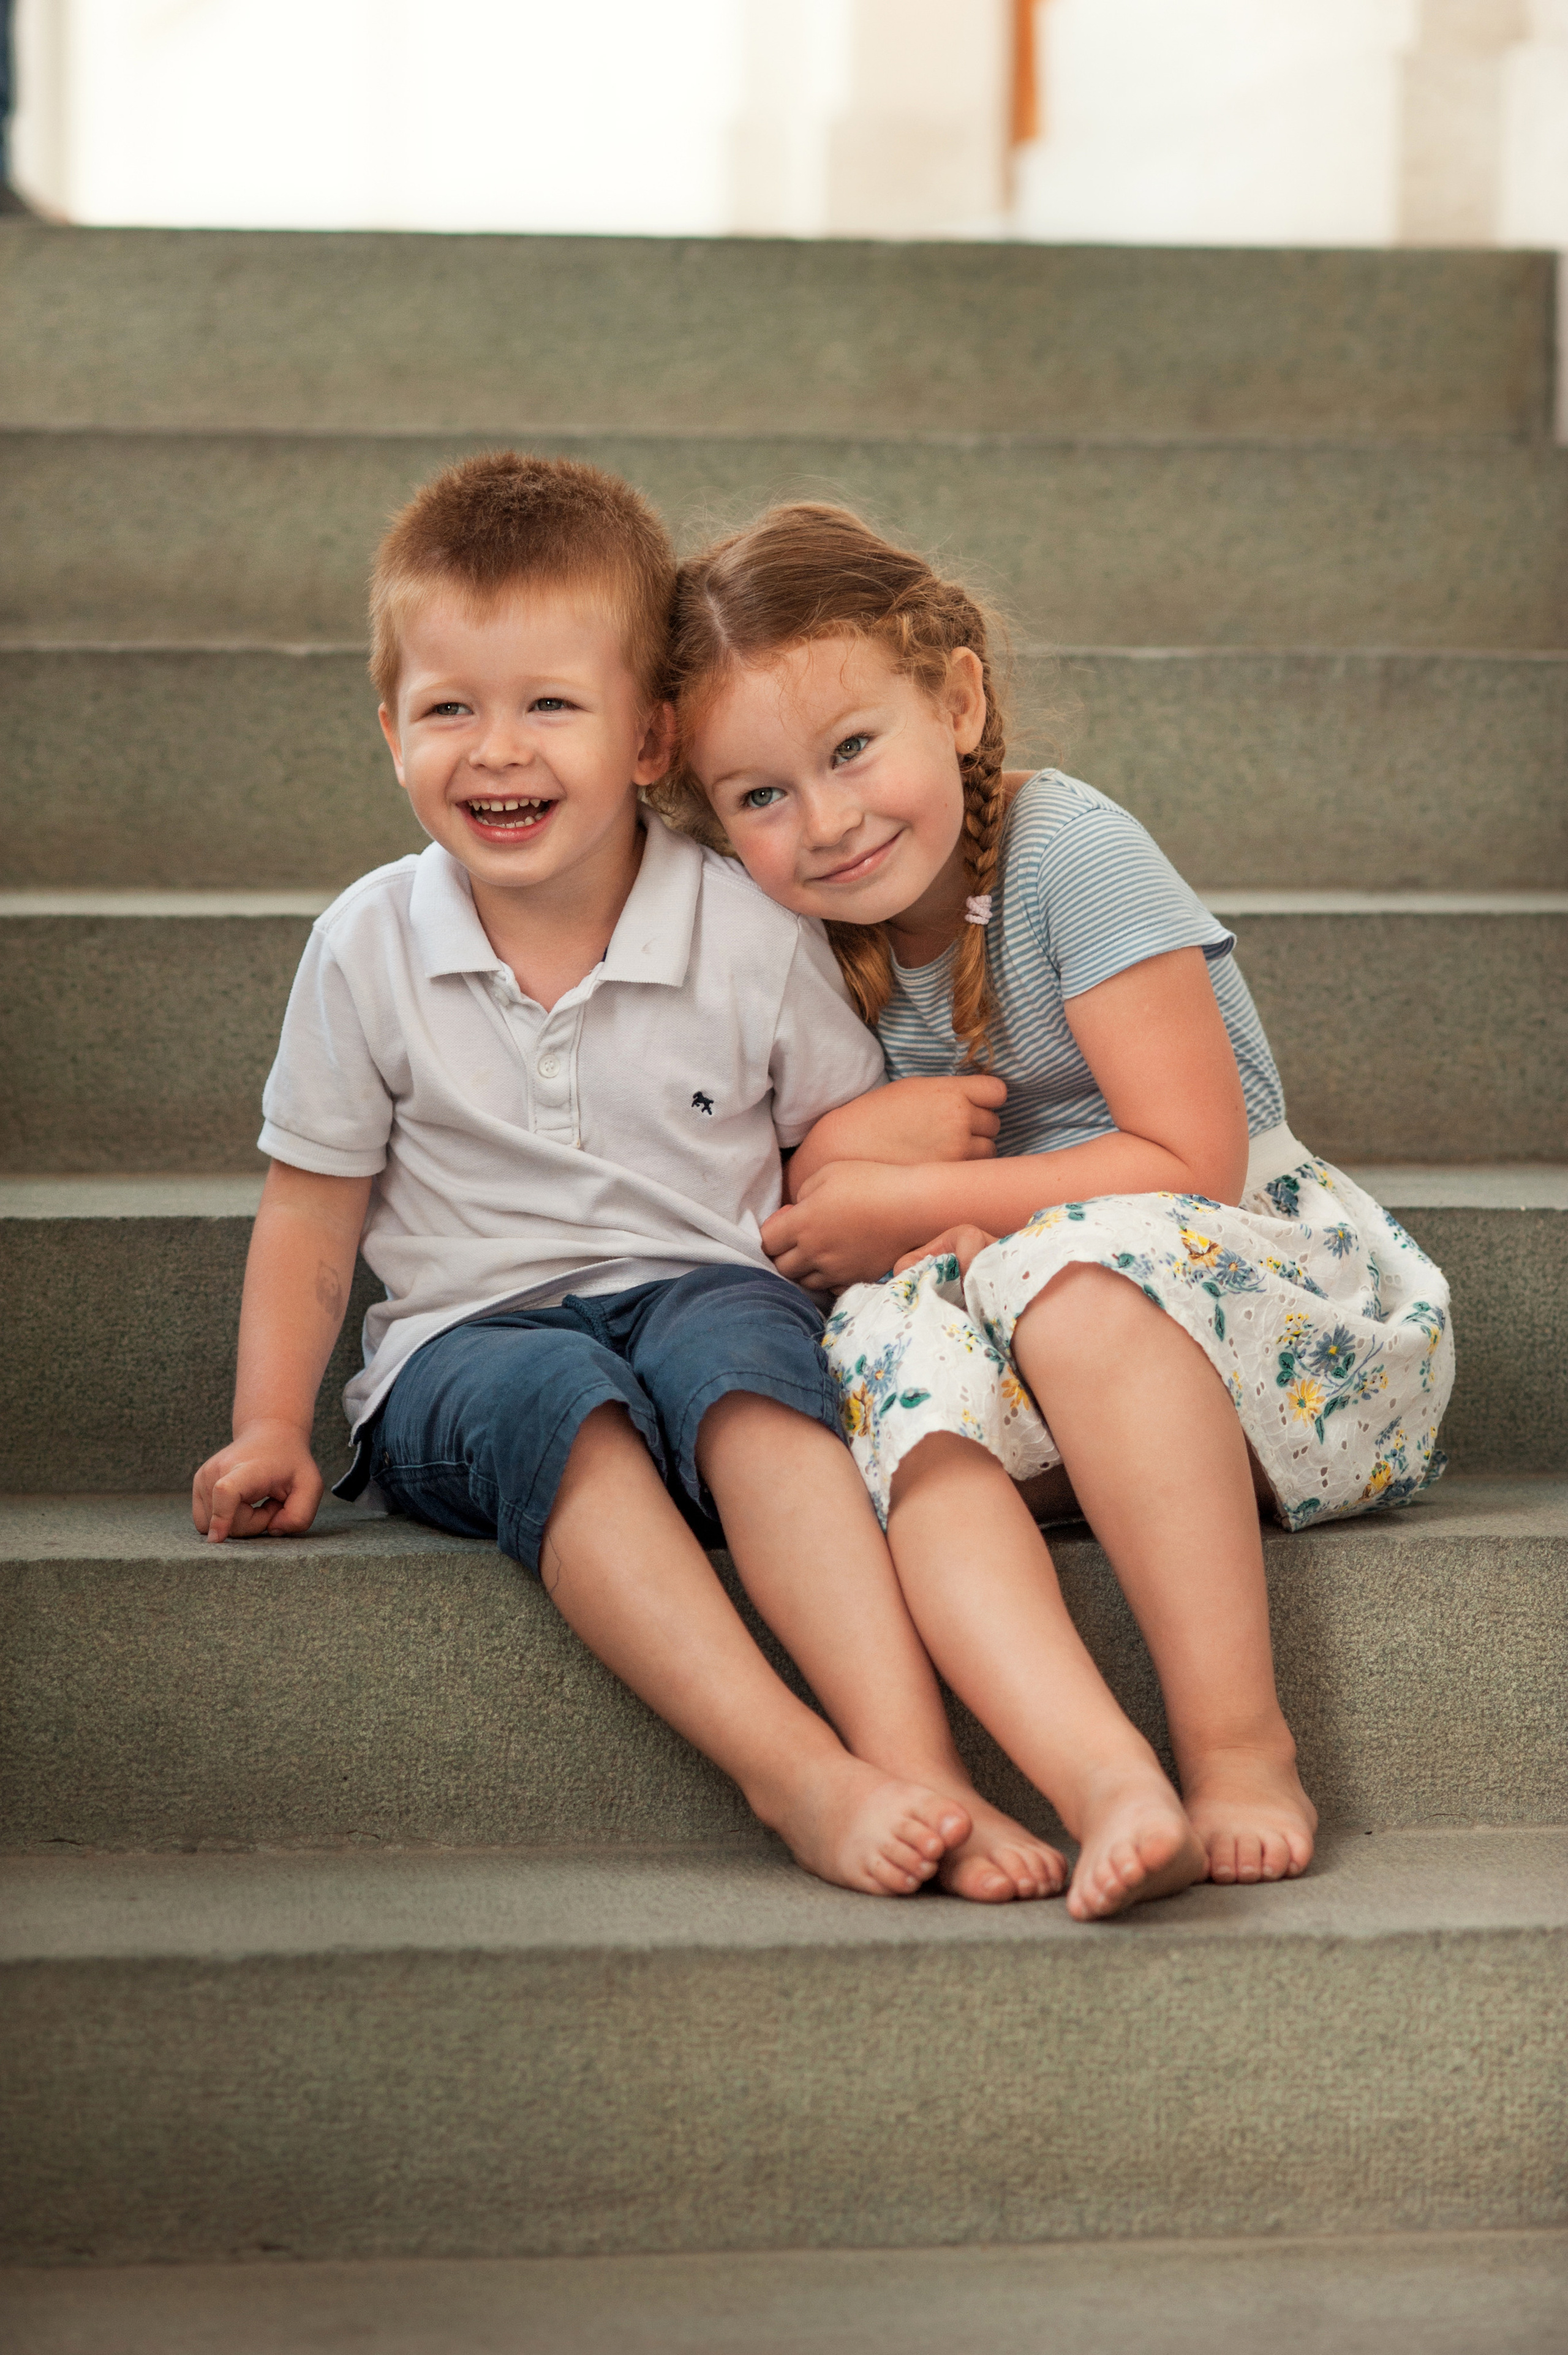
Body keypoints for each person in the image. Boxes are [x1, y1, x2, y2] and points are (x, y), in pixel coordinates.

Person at [191, 453, 1071, 1908]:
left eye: (550, 705)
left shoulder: (744, 923)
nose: (497, 751)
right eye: (448, 710)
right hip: (465, 1350)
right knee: (559, 1403)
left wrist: (901, 1168)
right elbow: (310, 1207)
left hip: (702, 1294)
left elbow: (825, 1150)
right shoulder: (365, 945)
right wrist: (270, 1426)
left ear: (652, 737)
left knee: (747, 1361)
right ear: (387, 730)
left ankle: (918, 1766)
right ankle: (791, 1770)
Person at [659, 501, 1456, 1916]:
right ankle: (1100, 1779)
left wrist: (911, 1191)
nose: (827, 821)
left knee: (1080, 1287)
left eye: (851, 749)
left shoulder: (1063, 849)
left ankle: (1232, 1746)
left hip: (1258, 1298)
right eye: (760, 796)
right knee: (901, 1390)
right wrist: (845, 1168)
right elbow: (768, 1184)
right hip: (1014, 1297)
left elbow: (1189, 1156)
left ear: (955, 697)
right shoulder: (782, 936)